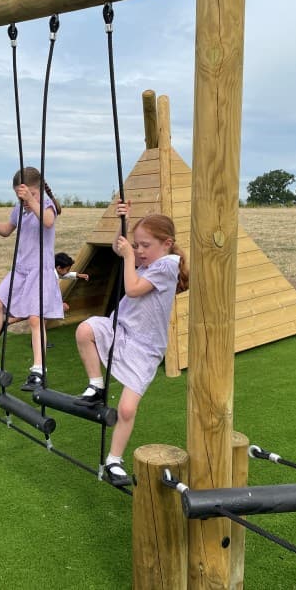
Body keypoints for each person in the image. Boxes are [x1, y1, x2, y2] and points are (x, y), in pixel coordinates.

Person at [74, 202, 189, 486]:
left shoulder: (166, 267)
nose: (138, 251)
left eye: (144, 246)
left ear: (167, 244)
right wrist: (122, 223)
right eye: (136, 246)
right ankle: (96, 385)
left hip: (145, 348)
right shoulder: (149, 259)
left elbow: (133, 289)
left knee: (126, 410)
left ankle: (114, 460)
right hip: (121, 330)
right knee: (85, 329)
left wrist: (128, 257)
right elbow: (118, 247)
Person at [0, 166, 64, 391]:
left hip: (40, 270)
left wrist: (32, 200)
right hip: (20, 270)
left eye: (31, 195)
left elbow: (48, 222)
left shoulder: (46, 205)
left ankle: (39, 370)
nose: (26, 200)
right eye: (21, 196)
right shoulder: (20, 208)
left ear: (38, 191)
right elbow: (6, 230)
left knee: (36, 319)